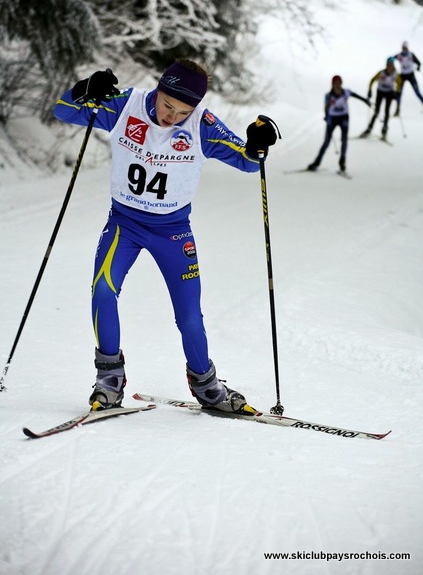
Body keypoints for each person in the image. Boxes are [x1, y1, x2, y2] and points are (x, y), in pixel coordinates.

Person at [53, 59, 278, 414]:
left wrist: (258, 144)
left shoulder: (203, 126)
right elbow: (63, 111)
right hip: (124, 224)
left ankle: (206, 385)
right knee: (103, 290)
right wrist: (84, 89)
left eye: (183, 111)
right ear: (158, 90)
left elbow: (249, 161)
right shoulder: (126, 104)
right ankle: (109, 378)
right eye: (167, 105)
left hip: (173, 232)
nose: (172, 116)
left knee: (189, 315)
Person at [307, 75, 370, 173]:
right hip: (332, 119)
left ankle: (342, 162)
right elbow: (326, 108)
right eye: (335, 83)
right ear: (332, 84)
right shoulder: (329, 96)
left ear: (341, 83)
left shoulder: (346, 92)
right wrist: (326, 116)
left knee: (344, 140)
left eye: (339, 83)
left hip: (344, 118)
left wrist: (366, 101)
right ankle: (317, 162)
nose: (337, 85)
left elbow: (357, 96)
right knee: (326, 142)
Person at [360, 57, 400, 140]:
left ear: (393, 65)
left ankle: (384, 129)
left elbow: (399, 83)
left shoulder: (395, 74)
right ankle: (369, 128)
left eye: (390, 65)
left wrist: (397, 92)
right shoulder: (381, 73)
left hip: (389, 93)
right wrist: (370, 90)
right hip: (380, 92)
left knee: (387, 111)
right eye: (388, 64)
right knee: (377, 111)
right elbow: (372, 80)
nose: (389, 66)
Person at [393, 41, 423, 116]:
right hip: (402, 76)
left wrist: (418, 67)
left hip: (411, 75)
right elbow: (391, 60)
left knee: (417, 92)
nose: (404, 49)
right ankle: (397, 111)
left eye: (405, 47)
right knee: (399, 93)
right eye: (403, 47)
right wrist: (393, 69)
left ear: (407, 48)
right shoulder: (399, 55)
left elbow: (419, 62)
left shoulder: (411, 55)